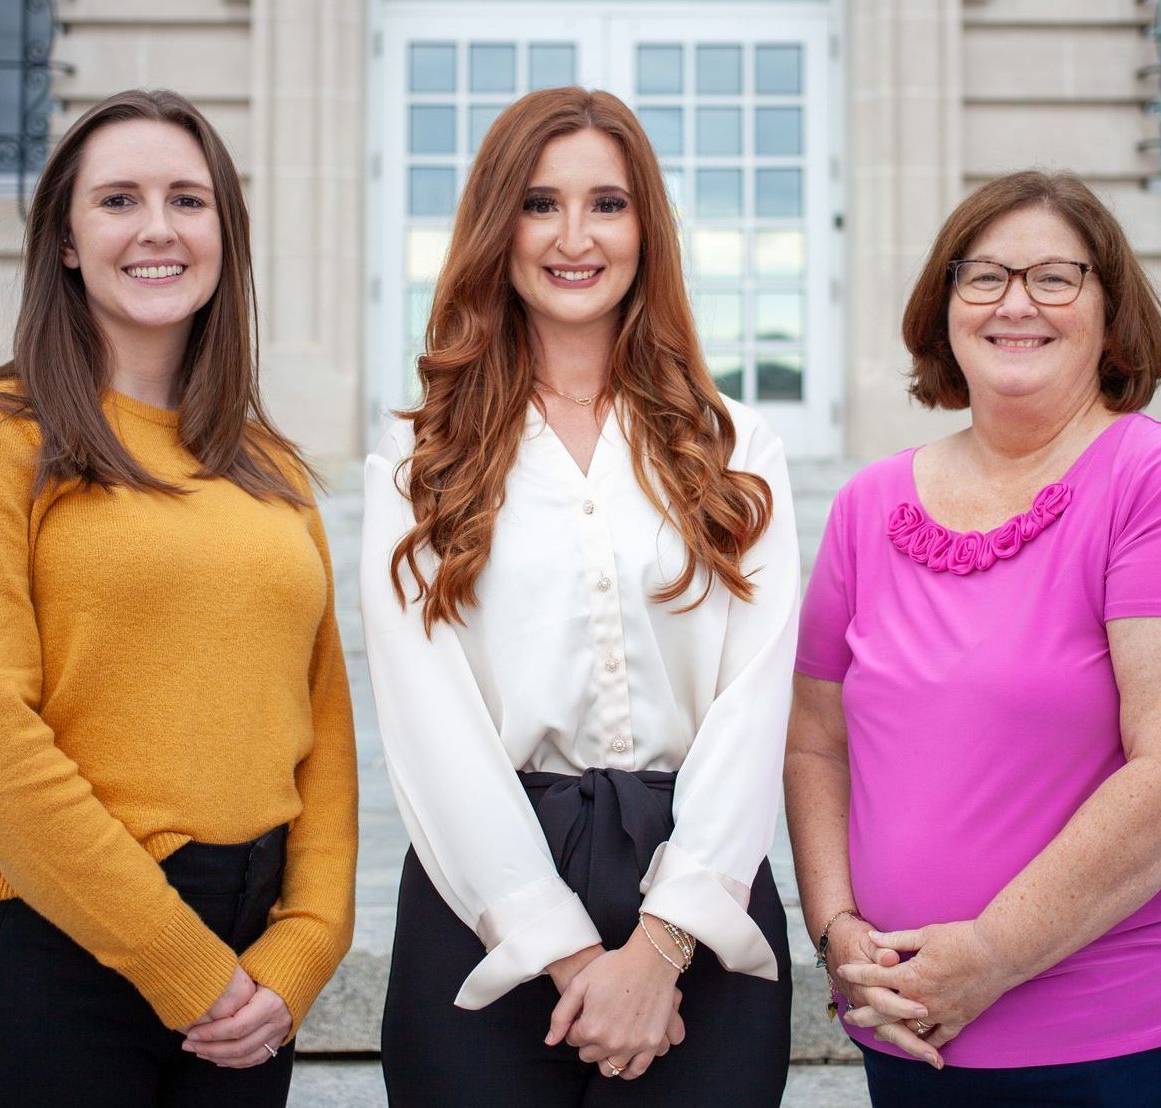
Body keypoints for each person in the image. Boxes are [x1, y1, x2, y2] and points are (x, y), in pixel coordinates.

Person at [785, 170, 1161, 1106]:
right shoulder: (867, 505)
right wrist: (838, 933)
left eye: (1054, 277)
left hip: (1124, 1041)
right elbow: (815, 737)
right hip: (907, 1029)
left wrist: (991, 954)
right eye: (983, 277)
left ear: (1110, 312)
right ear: (944, 311)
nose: (1015, 302)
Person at [0, 88, 357, 1106]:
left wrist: (308, 943)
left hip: (246, 989)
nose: (158, 228)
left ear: (223, 237)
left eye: (188, 200)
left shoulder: (267, 465)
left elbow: (322, 725)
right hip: (52, 949)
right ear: (64, 240)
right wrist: (181, 966)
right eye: (118, 200)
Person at [359, 87, 797, 1106]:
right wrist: (560, 952)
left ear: (645, 226)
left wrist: (659, 946)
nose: (574, 236)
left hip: (700, 881)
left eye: (606, 203)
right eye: (539, 203)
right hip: (484, 891)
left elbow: (754, 705)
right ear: (494, 226)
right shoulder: (417, 460)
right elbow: (430, 726)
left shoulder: (736, 449)